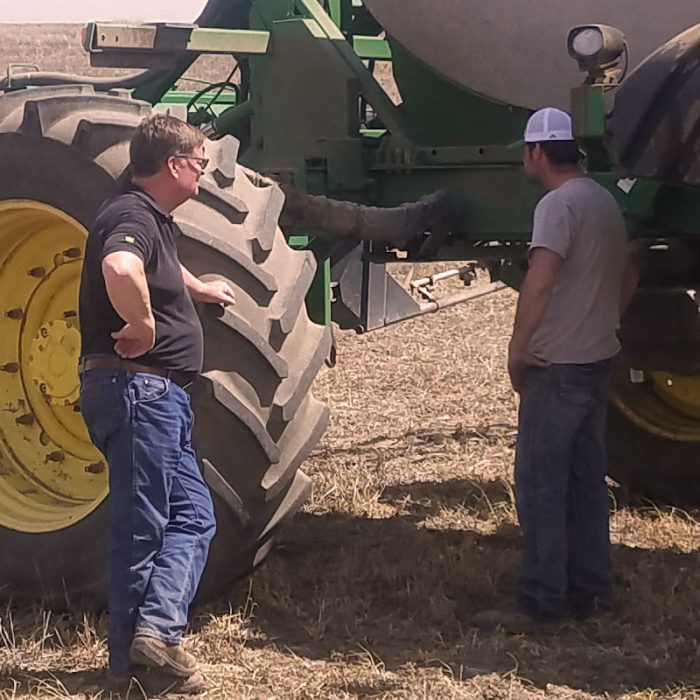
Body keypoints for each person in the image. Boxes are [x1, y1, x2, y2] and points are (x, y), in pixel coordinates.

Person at [78, 113, 236, 693]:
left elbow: (152, 263)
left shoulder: (150, 218)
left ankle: (155, 635)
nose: (203, 172)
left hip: (158, 395)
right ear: (173, 165)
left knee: (194, 517)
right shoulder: (129, 215)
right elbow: (121, 265)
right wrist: (142, 321)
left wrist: (196, 289)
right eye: (200, 163)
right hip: (138, 390)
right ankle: (130, 672)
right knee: (143, 528)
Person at [475, 107, 638, 632]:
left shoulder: (556, 204)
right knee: (587, 481)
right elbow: (632, 269)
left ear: (537, 152)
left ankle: (540, 601)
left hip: (558, 365)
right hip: (596, 357)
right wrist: (605, 319)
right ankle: (593, 593)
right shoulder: (603, 198)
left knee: (541, 483)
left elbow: (540, 281)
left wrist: (517, 350)